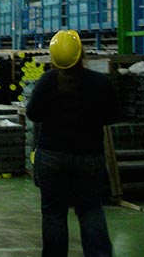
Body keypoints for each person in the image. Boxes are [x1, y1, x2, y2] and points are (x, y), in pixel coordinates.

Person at [26, 30, 119, 257]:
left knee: (54, 214)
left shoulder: (47, 82)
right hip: (89, 156)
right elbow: (113, 116)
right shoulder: (99, 82)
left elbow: (33, 114)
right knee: (90, 210)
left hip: (51, 157)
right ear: (81, 54)